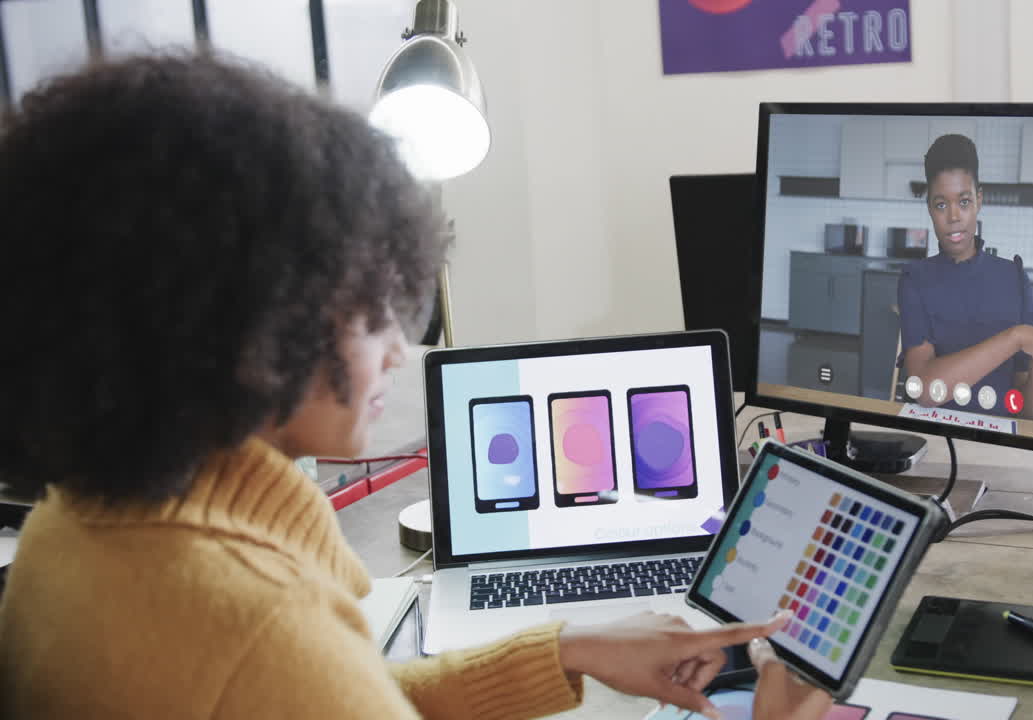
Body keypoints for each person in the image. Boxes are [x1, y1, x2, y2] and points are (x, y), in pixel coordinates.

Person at [0, 55, 833, 720]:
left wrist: (568, 649)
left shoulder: (69, 525)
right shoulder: (254, 628)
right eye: (369, 308)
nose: (402, 348)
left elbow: (346, 696)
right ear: (243, 317)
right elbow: (300, 680)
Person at [897, 134, 1033, 419]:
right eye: (941, 204)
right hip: (938, 439)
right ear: (929, 208)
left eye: (964, 201)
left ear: (979, 200)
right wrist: (1016, 337)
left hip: (999, 443)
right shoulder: (914, 279)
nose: (954, 216)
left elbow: (1028, 414)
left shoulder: (1013, 278)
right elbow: (926, 392)